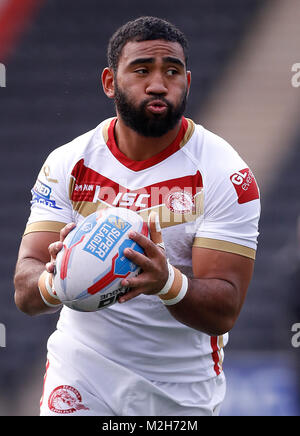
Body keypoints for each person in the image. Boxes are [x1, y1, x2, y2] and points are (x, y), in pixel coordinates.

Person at [14, 16, 260, 416]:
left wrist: (166, 282)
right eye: (142, 70)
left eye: (172, 72)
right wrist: (57, 278)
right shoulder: (67, 162)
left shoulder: (225, 174)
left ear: (187, 83)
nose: (159, 84)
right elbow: (25, 290)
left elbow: (225, 309)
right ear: (110, 82)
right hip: (81, 372)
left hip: (178, 389)